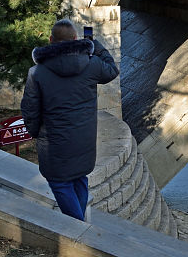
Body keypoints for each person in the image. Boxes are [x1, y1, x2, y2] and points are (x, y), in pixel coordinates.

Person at [21, 19, 119, 220]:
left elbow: (30, 109)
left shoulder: (37, 72)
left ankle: (77, 228)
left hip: (54, 140)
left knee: (59, 182)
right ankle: (79, 225)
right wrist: (94, 45)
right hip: (84, 138)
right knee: (79, 178)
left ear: (50, 40)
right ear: (76, 39)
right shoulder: (92, 65)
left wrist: (35, 133)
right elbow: (112, 70)